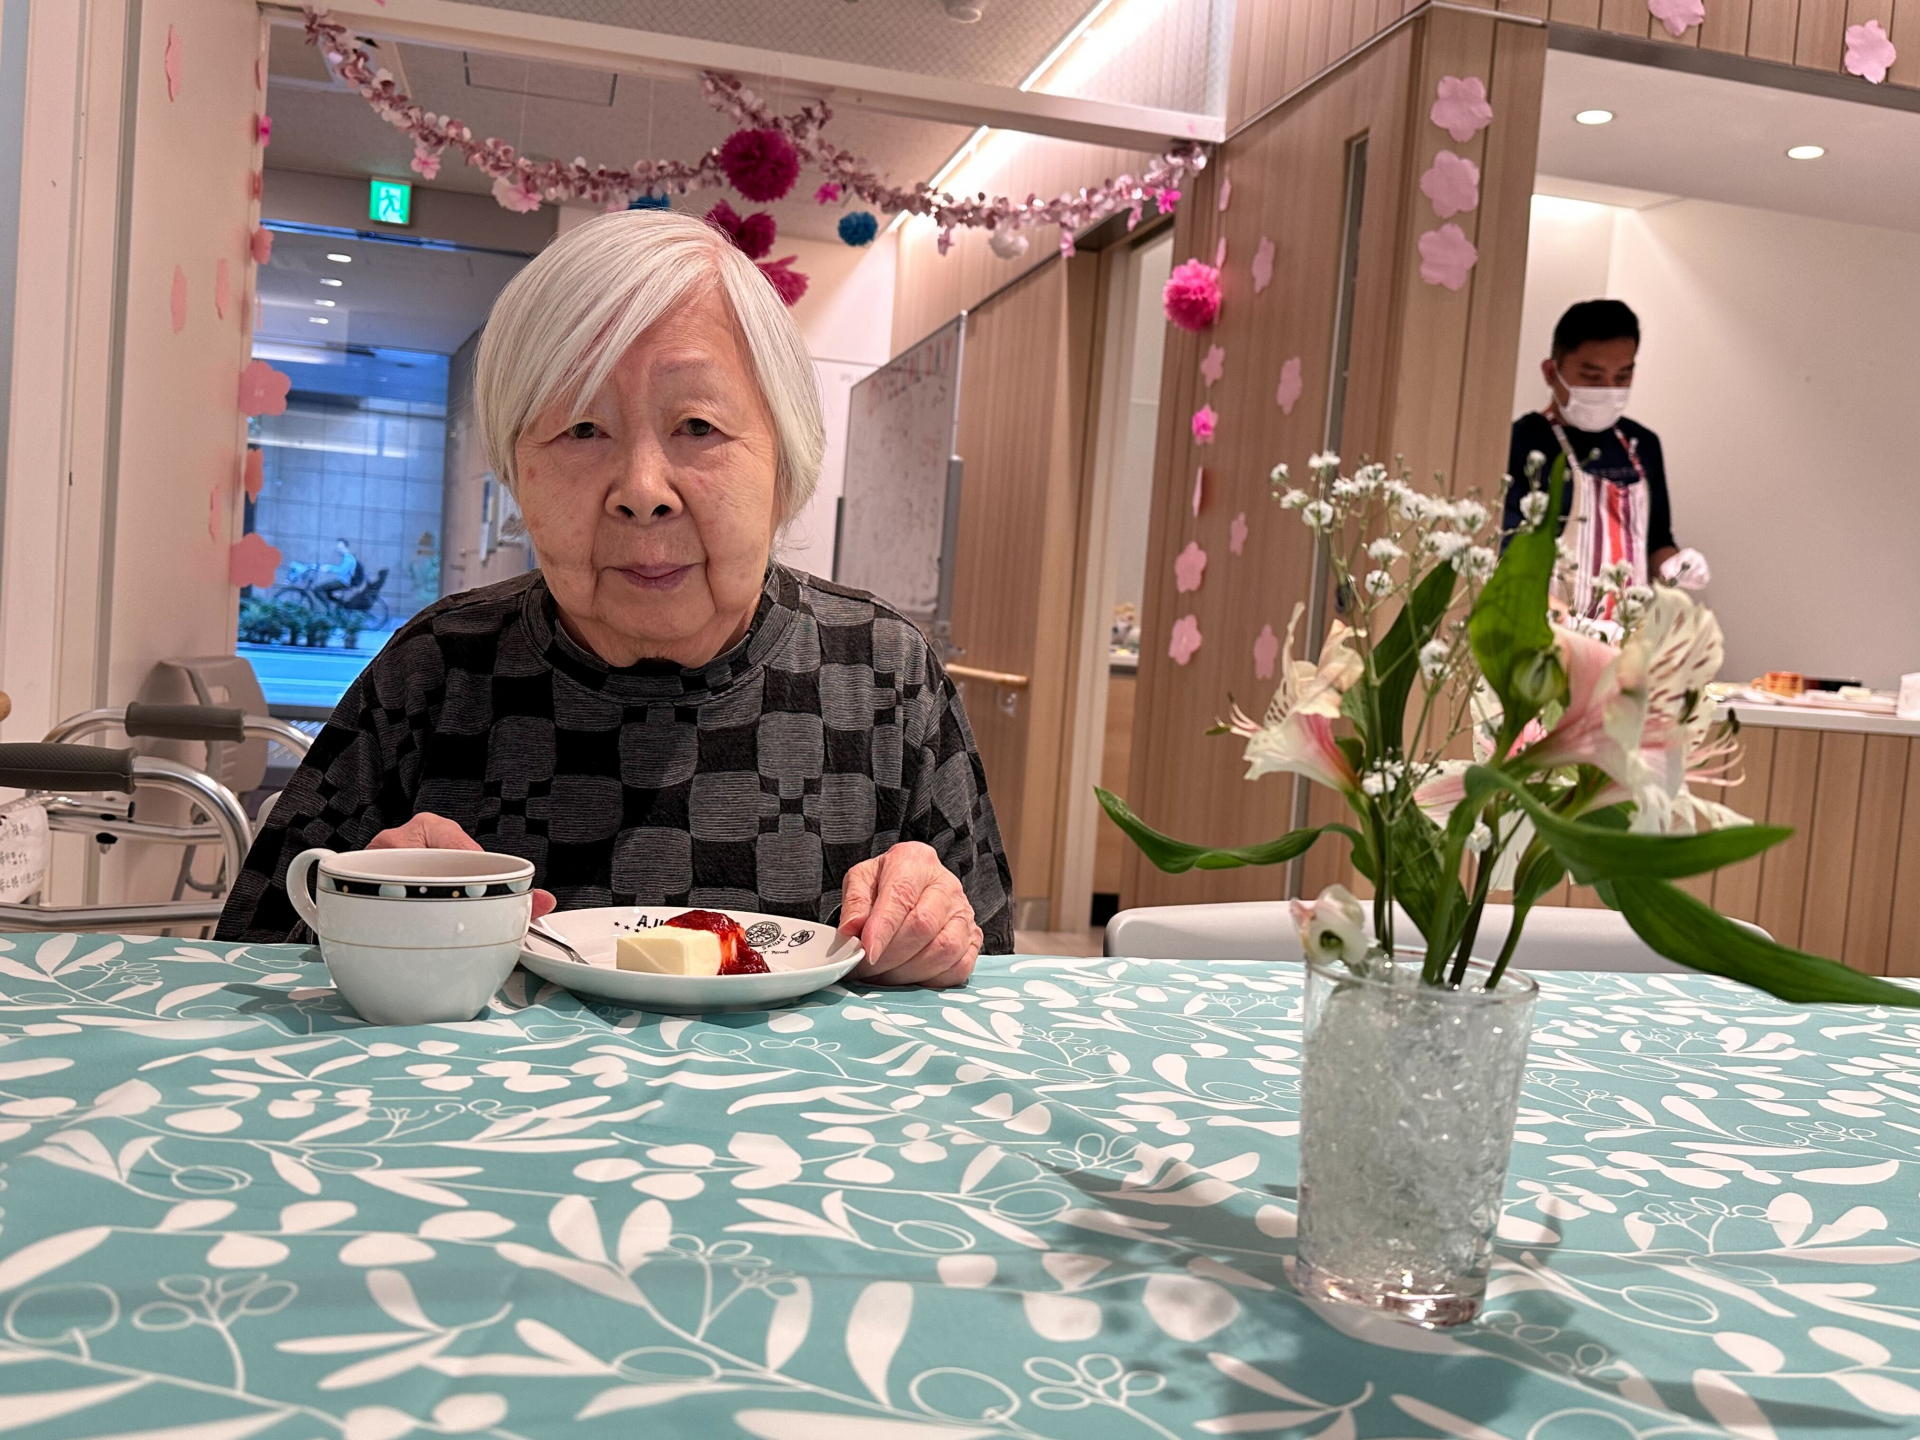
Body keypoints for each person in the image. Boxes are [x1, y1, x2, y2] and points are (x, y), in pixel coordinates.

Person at [217, 210, 1011, 986]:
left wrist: (934, 934)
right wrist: (362, 910)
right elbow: (248, 959)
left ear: (784, 459)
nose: (641, 490)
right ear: (518, 474)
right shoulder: (439, 669)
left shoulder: (883, 675)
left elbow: (997, 979)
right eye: (582, 429)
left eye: (697, 425)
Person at [1503, 299, 1709, 619]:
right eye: (1593, 377)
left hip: (1625, 634)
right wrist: (1575, 629)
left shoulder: (1642, 445)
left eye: (1622, 377)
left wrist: (1674, 565)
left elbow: (1657, 542)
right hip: (1545, 632)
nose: (1609, 389)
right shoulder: (1522, 442)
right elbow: (1507, 561)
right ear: (1551, 373)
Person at [316, 538, 364, 606]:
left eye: (340, 548)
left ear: (346, 547)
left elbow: (341, 571)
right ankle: (341, 604)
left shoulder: (348, 558)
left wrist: (328, 568)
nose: (338, 550)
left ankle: (328, 607)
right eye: (338, 548)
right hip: (343, 581)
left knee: (317, 589)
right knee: (327, 592)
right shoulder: (347, 557)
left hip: (344, 582)